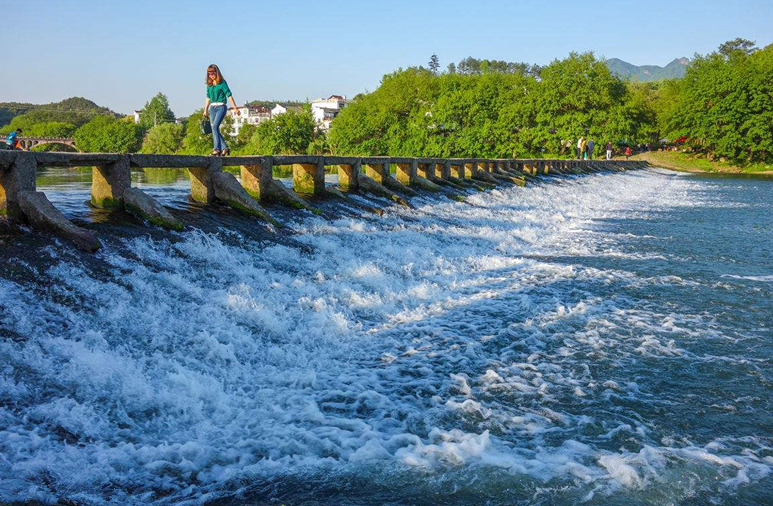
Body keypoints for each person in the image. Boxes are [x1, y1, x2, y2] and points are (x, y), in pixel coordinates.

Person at [203, 64, 239, 156]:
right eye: (209, 73)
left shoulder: (222, 83)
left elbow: (229, 95)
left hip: (221, 107)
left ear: (216, 72)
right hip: (212, 108)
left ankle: (216, 149)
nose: (211, 75)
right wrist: (205, 110)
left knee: (214, 127)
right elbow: (208, 97)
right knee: (214, 129)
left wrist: (235, 108)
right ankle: (225, 148)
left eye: (213, 73)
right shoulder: (209, 84)